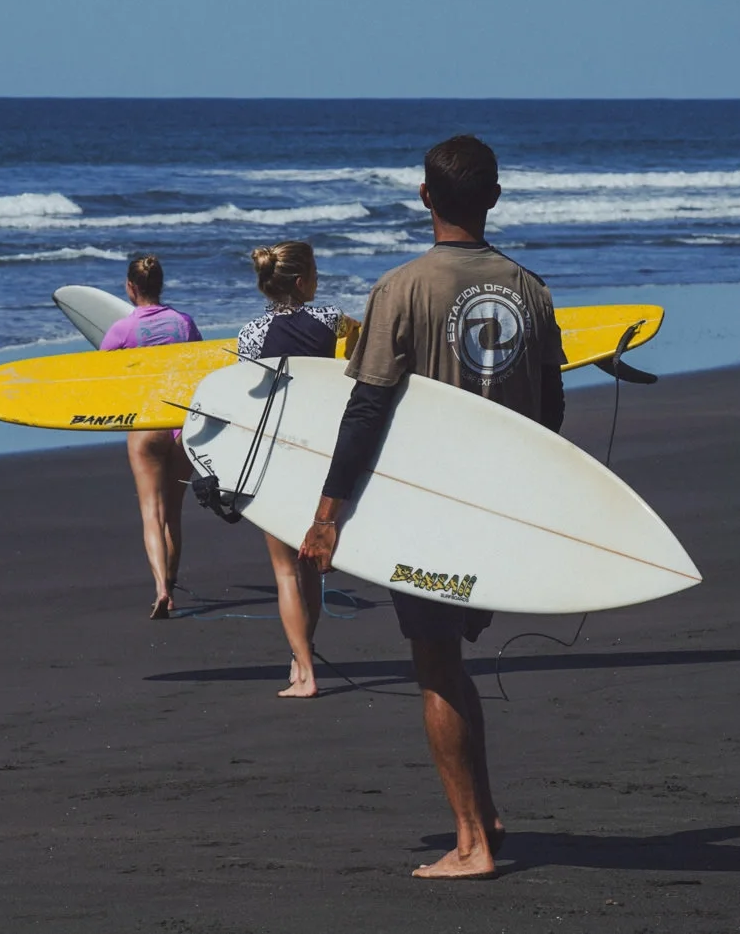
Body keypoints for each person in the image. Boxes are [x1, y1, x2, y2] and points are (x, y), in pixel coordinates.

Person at [299, 136, 564, 878]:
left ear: (424, 197)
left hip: (430, 510)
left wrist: (328, 515)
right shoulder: (531, 289)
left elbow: (366, 409)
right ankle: (487, 814)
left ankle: (473, 844)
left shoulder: (402, 288)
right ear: (495, 196)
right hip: (501, 509)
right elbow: (552, 412)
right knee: (448, 660)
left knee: (435, 664)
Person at [235, 241, 345, 698]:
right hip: (322, 453)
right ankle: (303, 656)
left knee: (283, 572)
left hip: (276, 457)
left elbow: (247, 398)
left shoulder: (251, 335)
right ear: (301, 282)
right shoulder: (330, 319)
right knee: (310, 567)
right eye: (315, 272)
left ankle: (304, 671)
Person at [100, 255, 202, 619]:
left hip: (145, 427)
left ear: (130, 287)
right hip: (180, 427)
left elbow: (104, 378)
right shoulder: (184, 323)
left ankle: (159, 589)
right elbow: (197, 370)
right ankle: (172, 588)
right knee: (173, 513)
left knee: (151, 513)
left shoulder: (122, 330)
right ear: (160, 284)